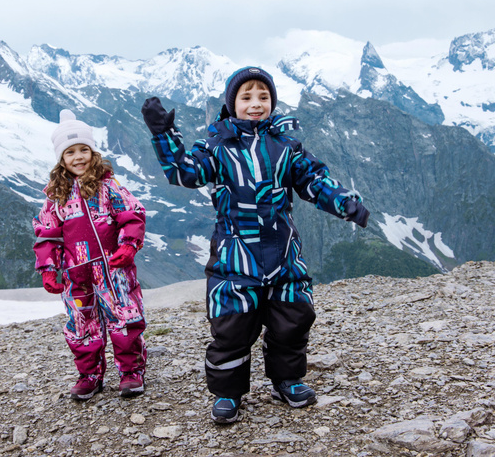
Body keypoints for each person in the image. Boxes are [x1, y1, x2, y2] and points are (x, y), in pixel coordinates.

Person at [141, 66, 369, 423]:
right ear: (232, 104)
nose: (256, 104)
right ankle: (228, 393)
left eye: (263, 96)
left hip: (284, 254)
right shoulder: (216, 145)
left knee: (292, 320)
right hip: (235, 257)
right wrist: (164, 134)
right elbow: (185, 172)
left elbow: (314, 180)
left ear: (273, 102)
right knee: (232, 327)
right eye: (246, 97)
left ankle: (287, 380)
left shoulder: (287, 145)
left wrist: (344, 202)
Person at [32, 109, 147, 400]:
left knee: (124, 319)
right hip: (77, 276)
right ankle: (89, 374)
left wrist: (128, 246)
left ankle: (131, 371)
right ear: (61, 159)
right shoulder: (56, 197)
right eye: (70, 152)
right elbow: (48, 234)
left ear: (93, 152)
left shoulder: (109, 186)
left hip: (114, 271)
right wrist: (48, 268)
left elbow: (132, 216)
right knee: (82, 324)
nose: (79, 157)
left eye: (84, 149)